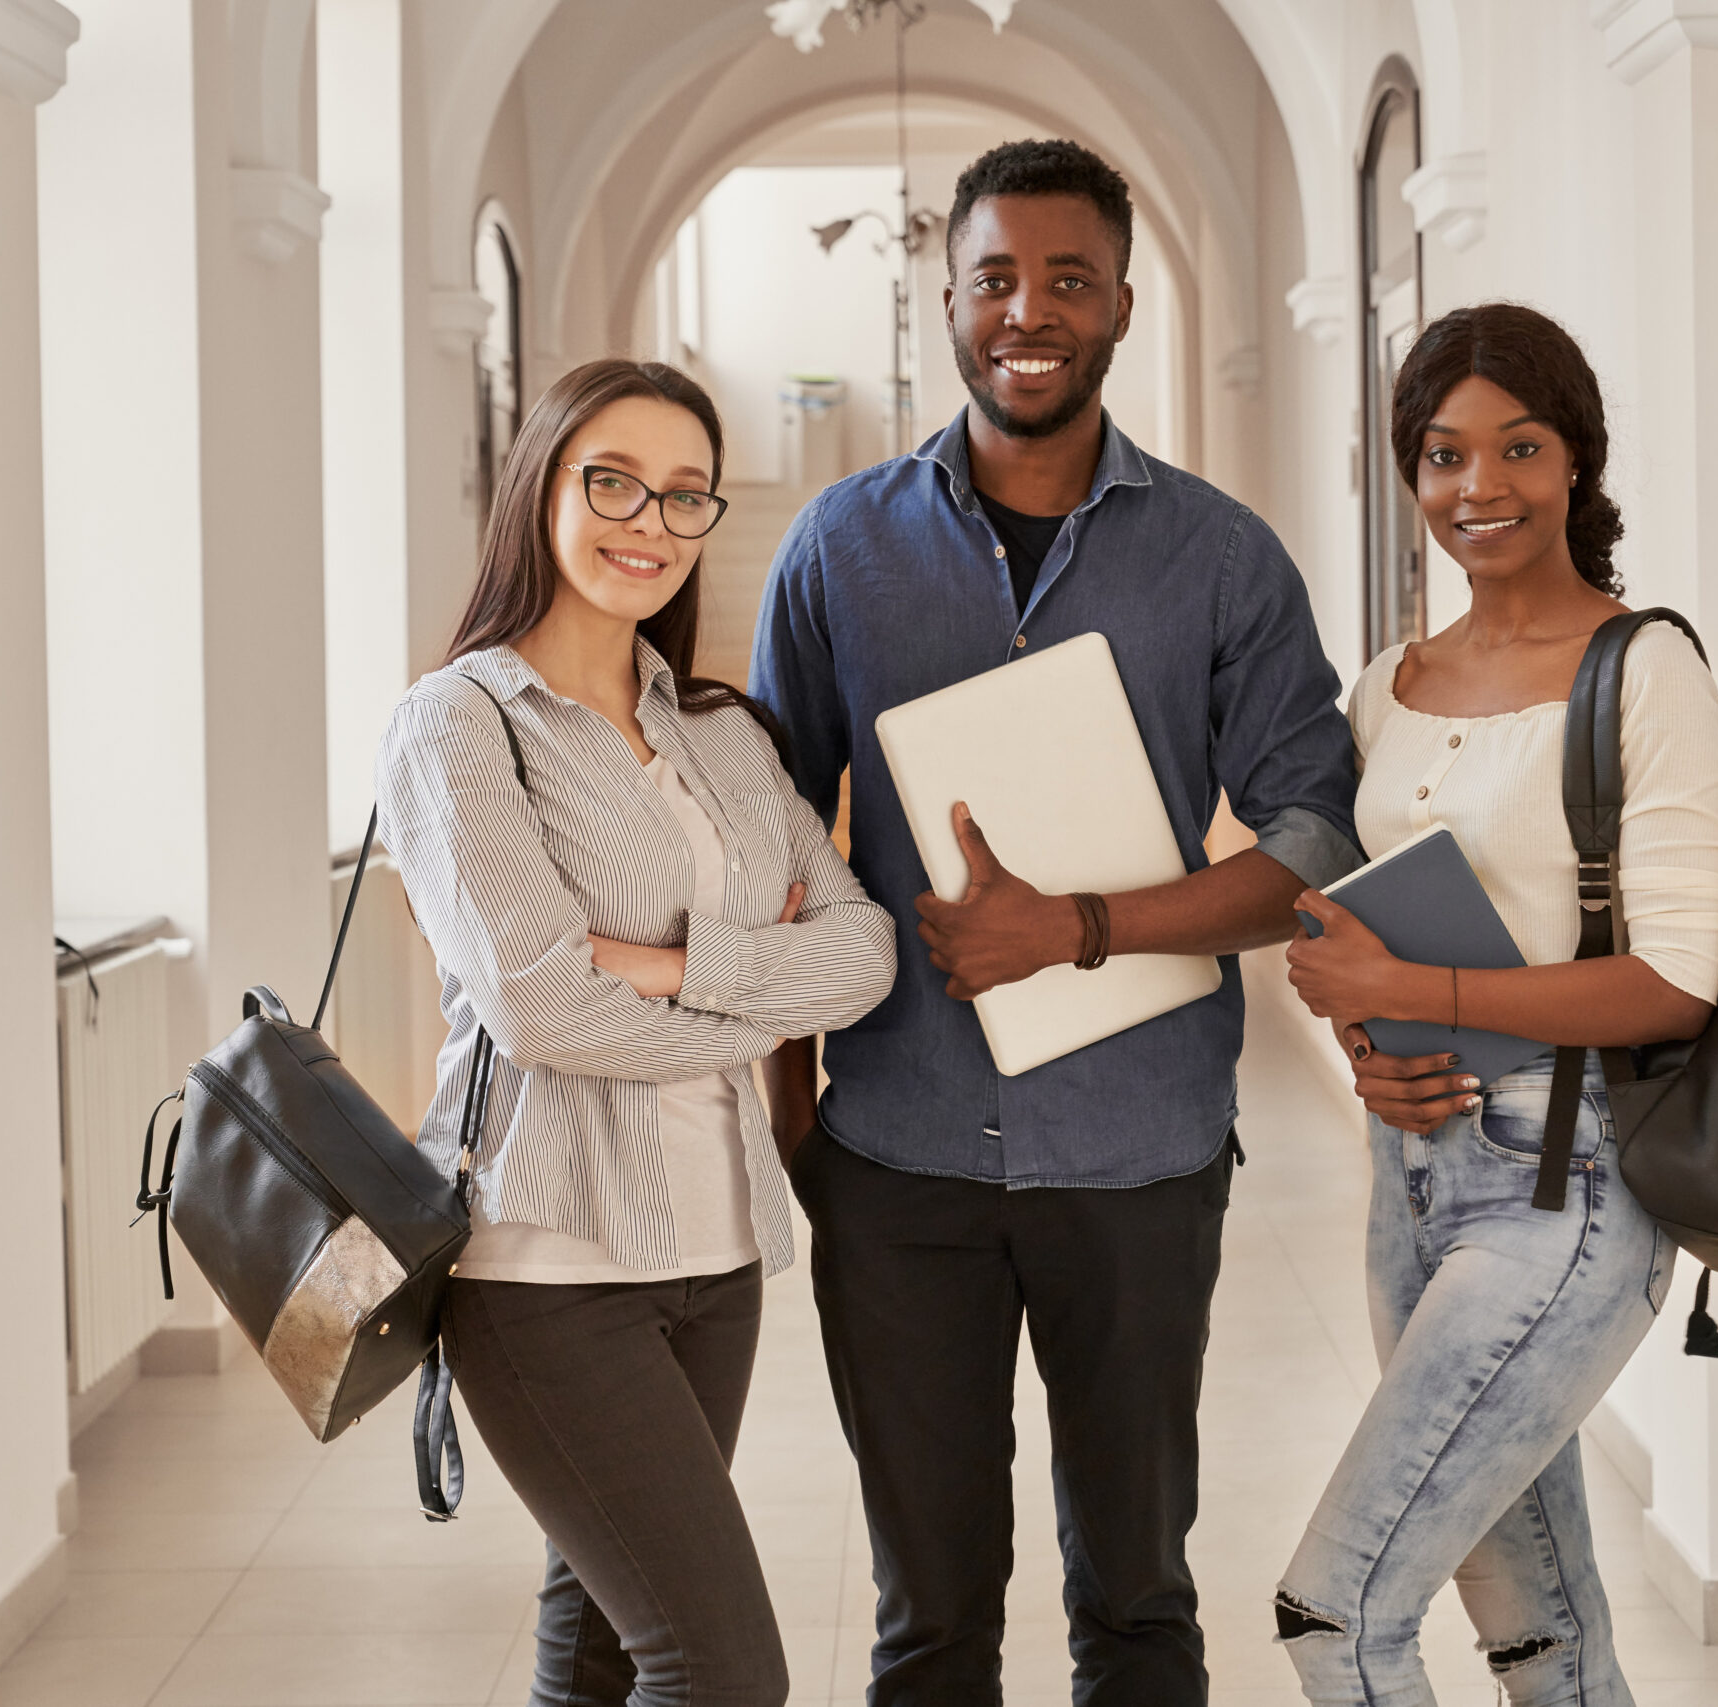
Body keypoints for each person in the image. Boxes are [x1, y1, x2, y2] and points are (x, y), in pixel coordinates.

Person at [748, 139, 1362, 1703]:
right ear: (944, 301)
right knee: (929, 1624)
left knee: (1141, 1607)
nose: (1031, 309)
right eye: (996, 278)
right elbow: (763, 840)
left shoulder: (1224, 558)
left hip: (1141, 1157)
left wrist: (1077, 926)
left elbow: (1308, 839)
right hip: (895, 1161)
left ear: (1122, 307)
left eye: (1067, 279)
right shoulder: (837, 549)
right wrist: (795, 1113)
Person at [378, 358, 896, 1707]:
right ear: (542, 485)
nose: (648, 523)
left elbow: (863, 952)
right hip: (546, 1263)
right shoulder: (459, 723)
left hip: (717, 1249)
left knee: (605, 1639)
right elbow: (542, 1006)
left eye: (683, 496)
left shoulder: (721, 731)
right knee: (720, 1669)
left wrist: (666, 967)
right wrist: (748, 992)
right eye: (613, 481)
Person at [1273, 301, 1718, 1704]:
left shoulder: (1641, 667)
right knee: (1538, 1627)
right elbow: (1354, 925)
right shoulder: (1386, 688)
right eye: (1444, 455)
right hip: (1410, 1185)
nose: (1481, 489)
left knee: (1336, 1616)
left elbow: (1672, 983)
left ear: (1577, 462)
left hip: (1569, 1190)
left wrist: (1401, 986)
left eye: (1519, 448)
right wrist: (1368, 1045)